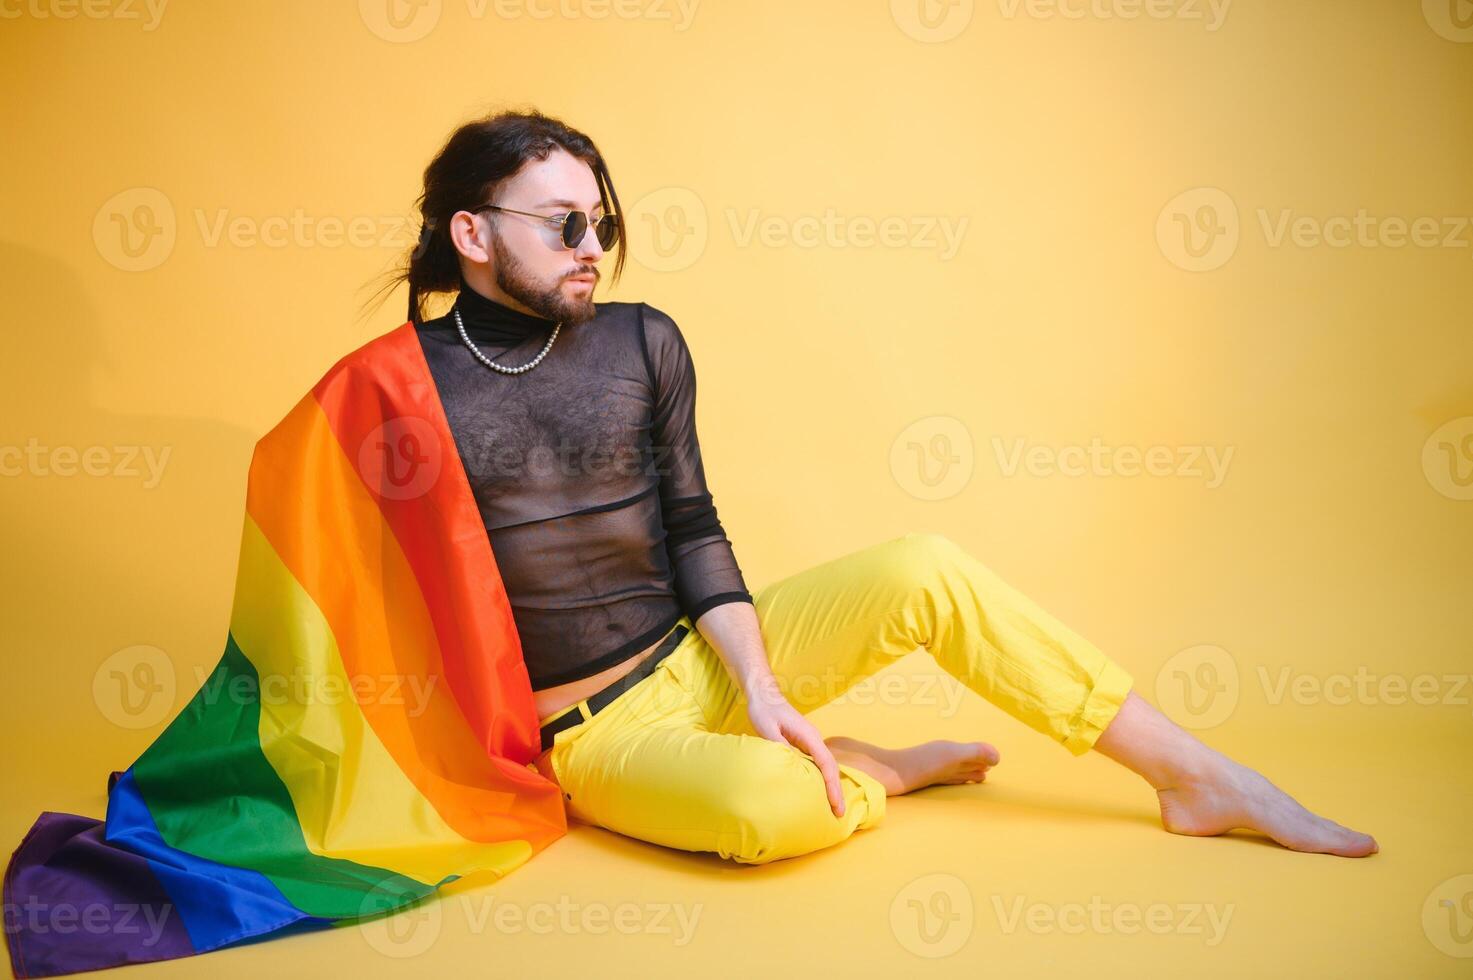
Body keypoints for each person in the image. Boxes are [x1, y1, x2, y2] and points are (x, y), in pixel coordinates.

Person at [365, 109, 1378, 865]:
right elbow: (357, 592)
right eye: (566, 223)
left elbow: (692, 527)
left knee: (925, 568)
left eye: (603, 220)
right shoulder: (400, 385)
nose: (595, 245)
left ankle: (1198, 776)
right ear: (474, 233)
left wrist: (758, 683)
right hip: (596, 734)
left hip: (706, 657)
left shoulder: (643, 338)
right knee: (766, 814)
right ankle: (868, 765)